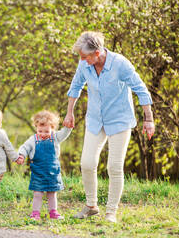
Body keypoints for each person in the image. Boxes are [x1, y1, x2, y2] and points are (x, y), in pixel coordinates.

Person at [64, 31, 155, 223]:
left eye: (84, 56)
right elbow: (75, 87)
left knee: (114, 167)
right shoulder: (84, 64)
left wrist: (149, 119)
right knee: (87, 163)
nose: (81, 60)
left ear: (97, 53)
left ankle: (111, 212)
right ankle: (91, 206)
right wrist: (69, 112)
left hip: (119, 120)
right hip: (96, 119)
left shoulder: (120, 64)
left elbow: (141, 89)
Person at [18, 110, 72, 220]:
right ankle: (35, 213)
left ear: (53, 128)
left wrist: (69, 127)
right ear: (36, 127)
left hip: (52, 173)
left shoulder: (55, 137)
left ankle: (53, 212)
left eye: (46, 131)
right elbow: (25, 147)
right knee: (37, 194)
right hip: (38, 173)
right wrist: (21, 155)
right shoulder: (33, 139)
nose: (43, 134)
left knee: (52, 194)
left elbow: (64, 133)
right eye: (40, 131)